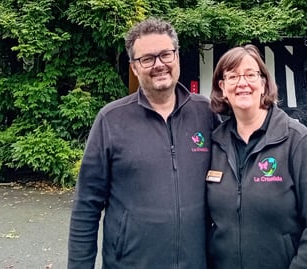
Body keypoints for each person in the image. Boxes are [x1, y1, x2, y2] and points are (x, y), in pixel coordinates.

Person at [68, 18, 220, 269]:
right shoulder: (111, 120)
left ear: (177, 57)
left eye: (165, 55)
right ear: (135, 68)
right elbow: (86, 207)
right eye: (147, 59)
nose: (158, 64)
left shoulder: (205, 113)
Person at [207, 44, 307, 269]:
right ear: (223, 87)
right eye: (233, 76)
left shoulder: (296, 140)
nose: (242, 83)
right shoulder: (216, 143)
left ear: (263, 83)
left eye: (250, 74)